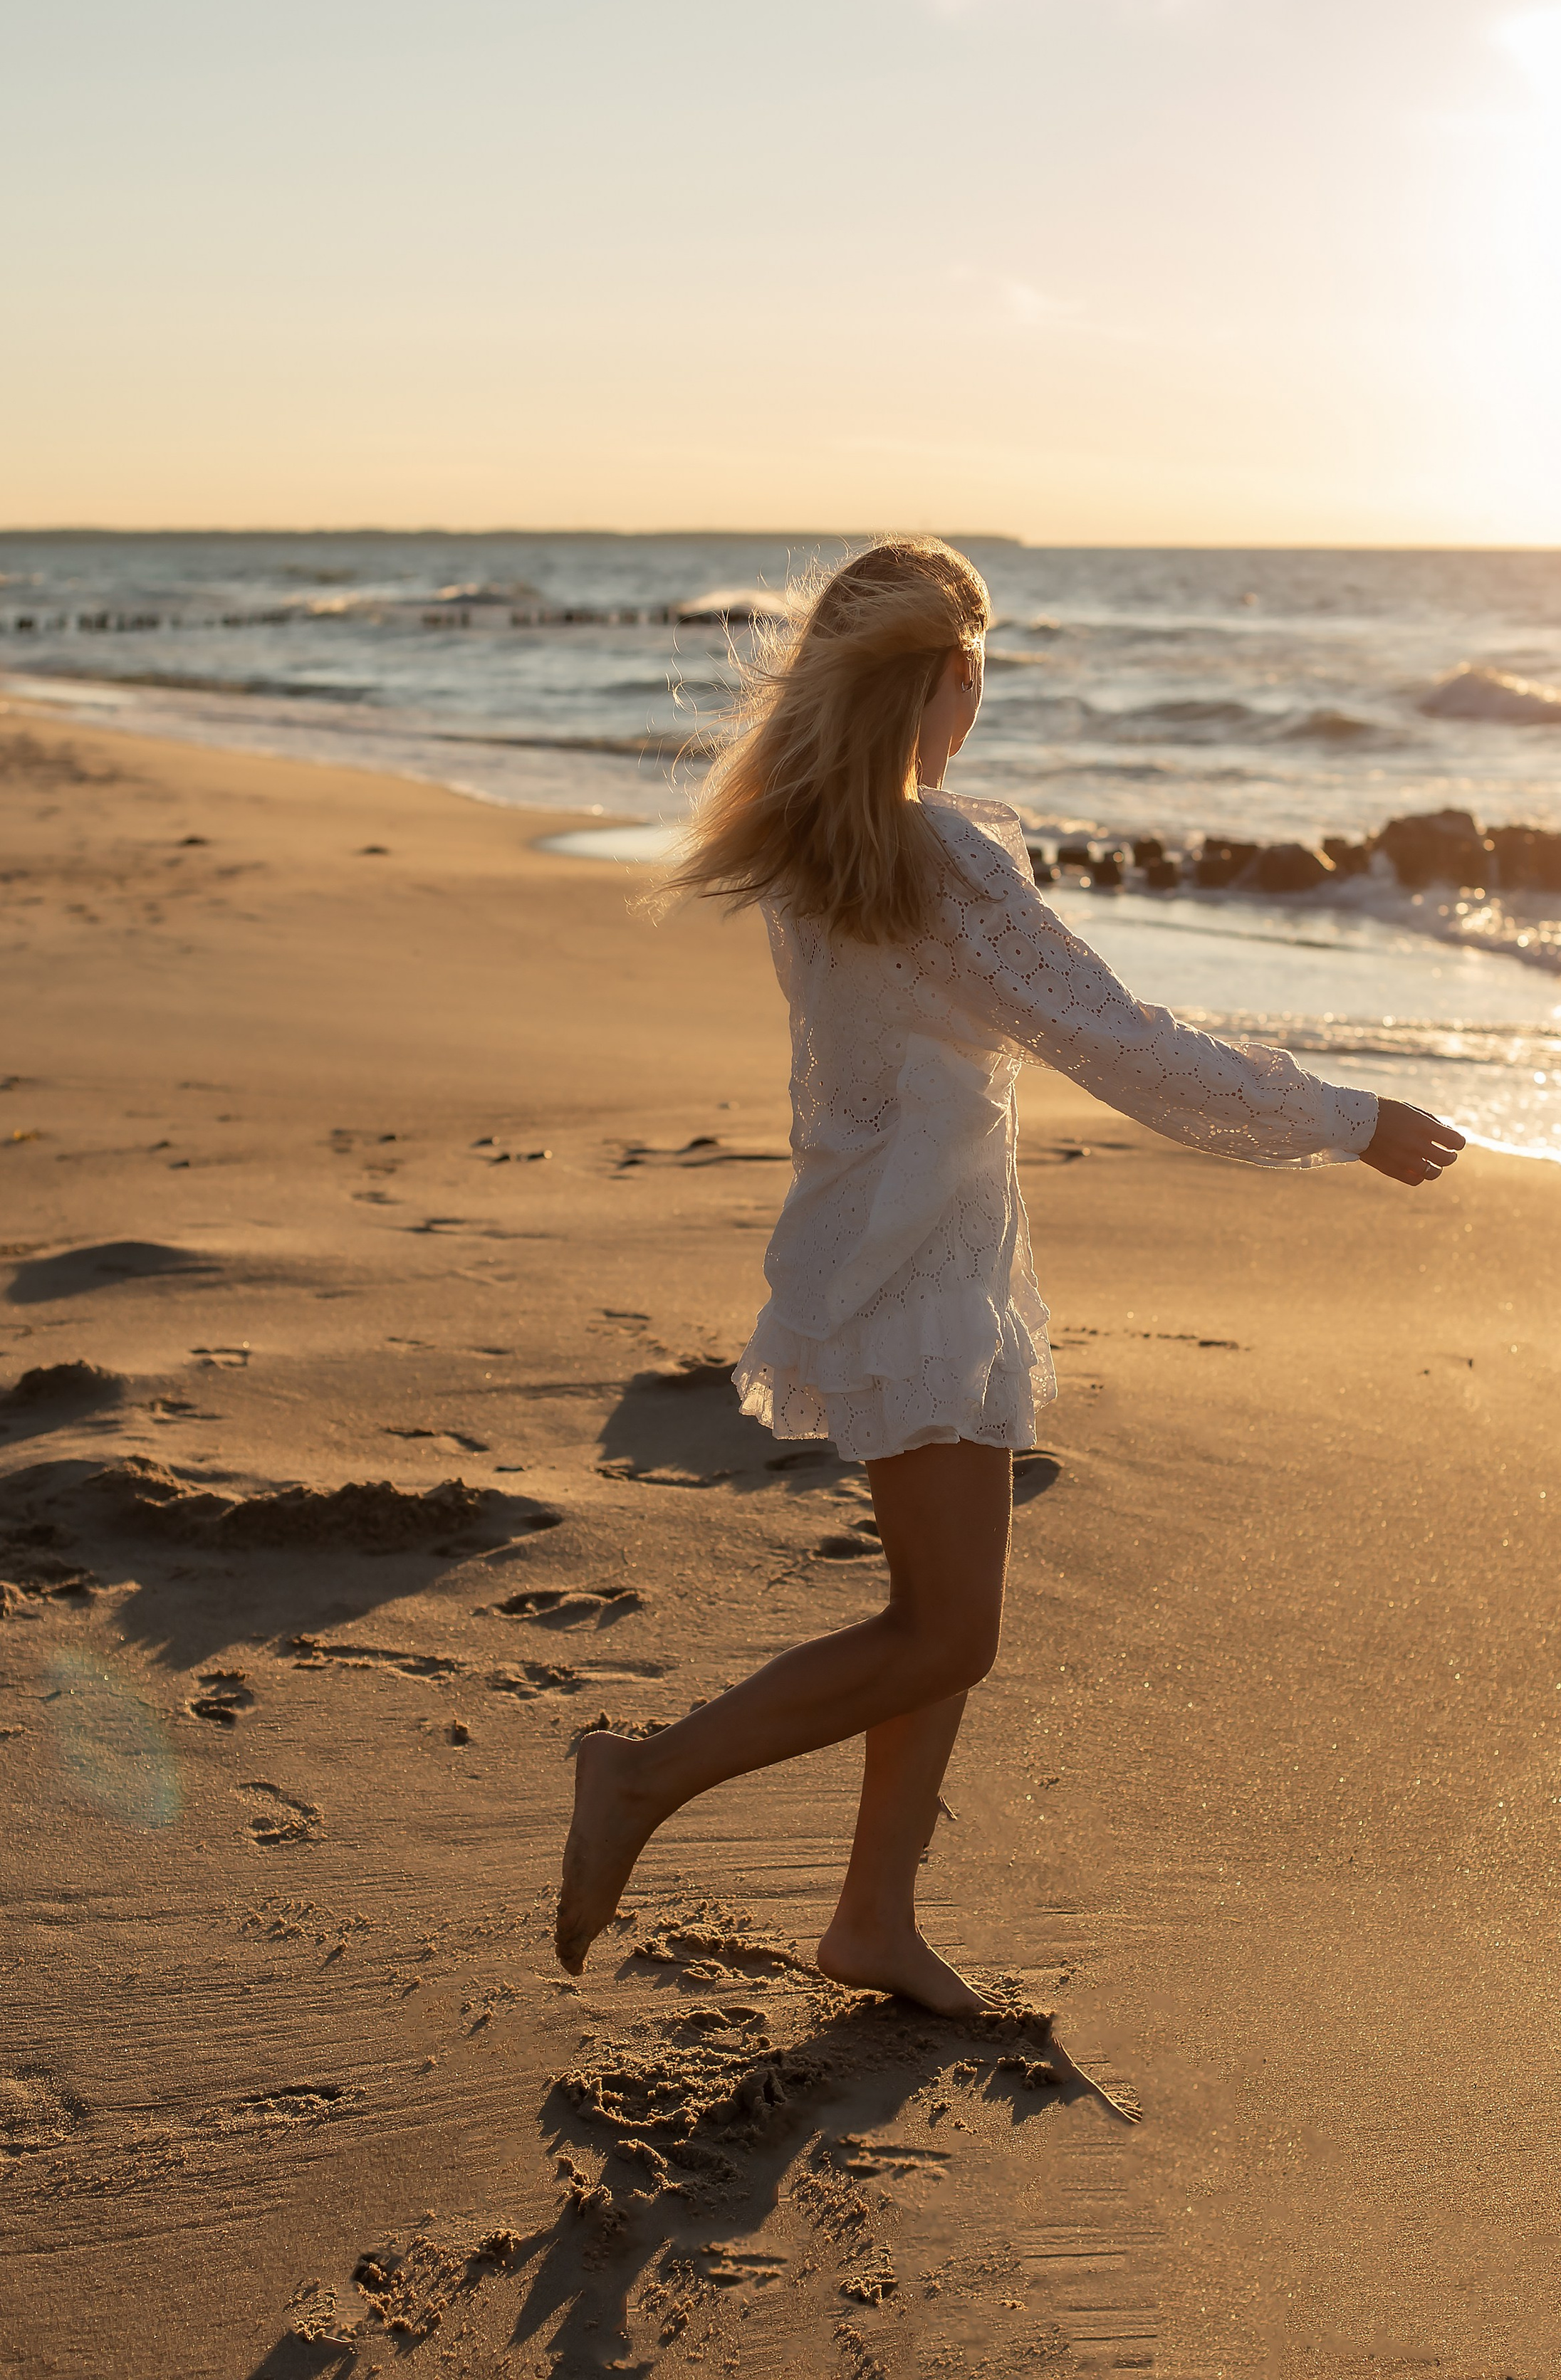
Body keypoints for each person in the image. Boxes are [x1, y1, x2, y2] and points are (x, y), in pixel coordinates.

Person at [556, 538, 1464, 2003]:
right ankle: (645, 1776)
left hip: (905, 1245)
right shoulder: (929, 855)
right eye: (973, 671)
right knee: (945, 1628)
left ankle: (872, 1919)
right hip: (916, 1265)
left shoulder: (821, 843)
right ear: (948, 676)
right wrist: (1343, 1120)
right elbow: (1113, 1039)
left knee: (938, 1621)